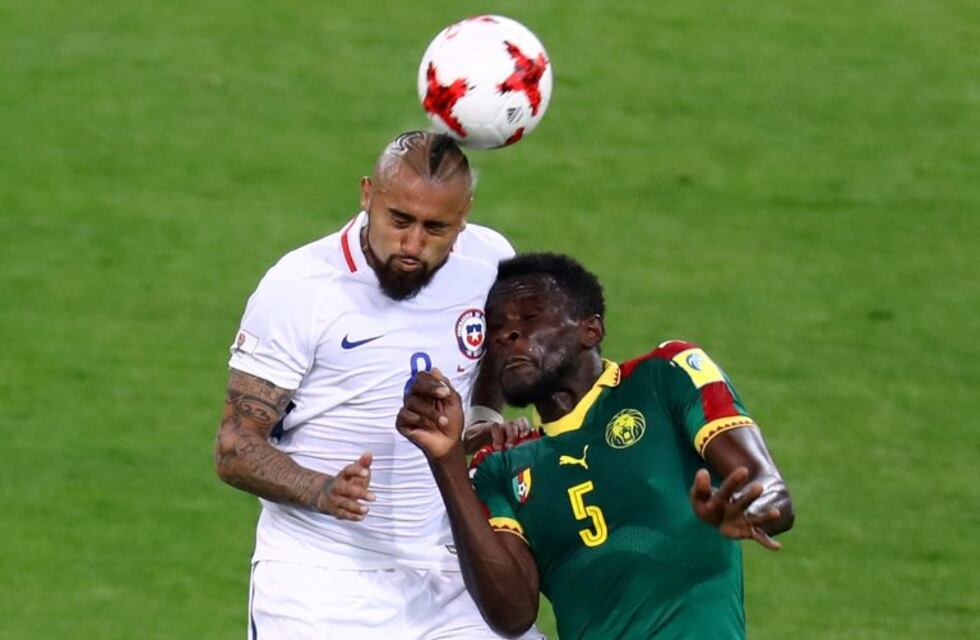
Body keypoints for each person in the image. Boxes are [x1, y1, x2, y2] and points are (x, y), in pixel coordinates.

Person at [213, 131, 539, 639]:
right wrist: (323, 490)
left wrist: (483, 422)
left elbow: (490, 352)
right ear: (368, 195)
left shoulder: (489, 260)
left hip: (448, 571)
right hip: (320, 580)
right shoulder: (301, 287)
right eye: (399, 220)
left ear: (464, 216)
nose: (412, 244)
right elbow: (234, 447)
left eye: (436, 228)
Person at [397, 252, 796, 639]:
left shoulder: (665, 376)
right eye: (496, 327)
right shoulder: (498, 467)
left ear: (591, 330)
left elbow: (769, 488)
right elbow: (511, 615)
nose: (506, 334)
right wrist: (446, 458)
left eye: (530, 317)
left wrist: (750, 507)